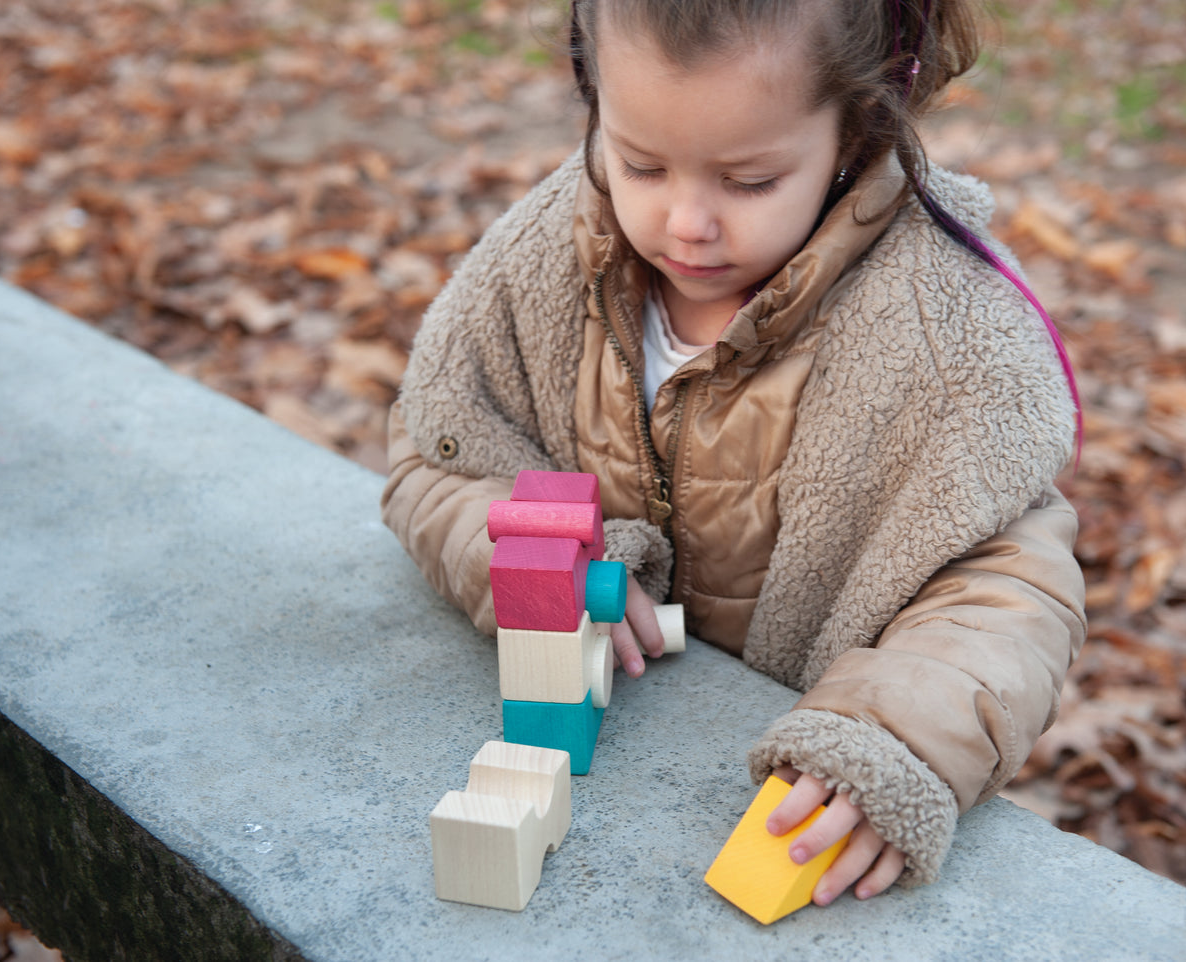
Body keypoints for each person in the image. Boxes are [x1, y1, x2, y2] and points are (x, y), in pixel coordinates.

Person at [382, 0, 1085, 905]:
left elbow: (1006, 583)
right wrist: (520, 558)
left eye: (748, 181)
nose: (685, 224)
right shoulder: (545, 255)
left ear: (856, 127)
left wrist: (894, 739)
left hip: (781, 798)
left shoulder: (945, 330)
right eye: (638, 162)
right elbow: (436, 443)